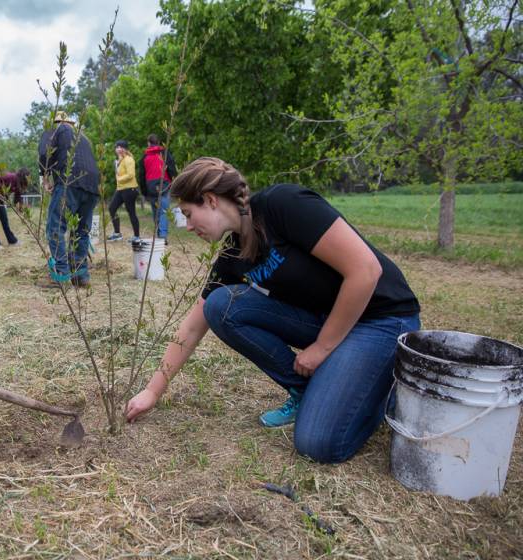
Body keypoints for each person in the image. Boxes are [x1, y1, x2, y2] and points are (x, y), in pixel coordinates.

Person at [125, 157, 420, 464]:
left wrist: (322, 347)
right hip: (330, 320)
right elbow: (192, 326)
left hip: (382, 318)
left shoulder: (283, 204)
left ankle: (381, 396)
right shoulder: (232, 252)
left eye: (188, 214)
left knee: (318, 443)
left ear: (211, 200)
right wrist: (152, 391)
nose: (187, 226)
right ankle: (307, 389)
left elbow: (365, 271)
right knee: (221, 306)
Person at [37, 111, 100, 288]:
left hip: (70, 181)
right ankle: (81, 276)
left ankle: (62, 276)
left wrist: (45, 176)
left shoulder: (55, 130)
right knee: (81, 230)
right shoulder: (83, 136)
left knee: (55, 227)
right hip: (93, 185)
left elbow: (44, 153)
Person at [137, 133, 177, 240]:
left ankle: (159, 233)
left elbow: (141, 176)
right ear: (158, 142)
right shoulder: (164, 153)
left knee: (155, 211)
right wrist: (174, 180)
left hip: (150, 186)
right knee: (164, 211)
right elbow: (171, 168)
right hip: (164, 183)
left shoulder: (144, 157)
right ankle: (162, 235)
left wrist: (144, 192)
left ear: (148, 143)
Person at [106, 140, 140, 242]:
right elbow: (119, 174)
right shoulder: (119, 161)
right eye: (117, 147)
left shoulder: (129, 159)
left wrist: (119, 179)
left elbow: (131, 175)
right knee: (112, 208)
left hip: (130, 189)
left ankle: (137, 236)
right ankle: (117, 233)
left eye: (120, 147)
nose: (118, 149)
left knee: (131, 212)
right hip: (120, 189)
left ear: (125, 149)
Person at [0, 168, 27, 249]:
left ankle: (12, 240)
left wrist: (20, 210)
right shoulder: (10, 176)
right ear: (23, 176)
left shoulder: (18, 184)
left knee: (5, 220)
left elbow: (18, 198)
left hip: (0, 200)